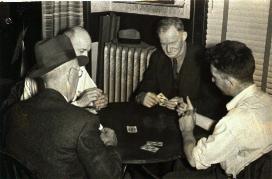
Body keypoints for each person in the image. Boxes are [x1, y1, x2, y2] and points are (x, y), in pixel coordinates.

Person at [5, 34, 122, 178]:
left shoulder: (14, 111)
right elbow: (110, 176)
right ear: (71, 74)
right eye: (79, 73)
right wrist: (111, 146)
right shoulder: (83, 122)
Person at [164, 40, 272, 179]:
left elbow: (194, 160)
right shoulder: (265, 100)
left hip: (238, 174)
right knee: (179, 167)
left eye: (215, 77)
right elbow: (233, 132)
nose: (213, 81)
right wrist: (194, 117)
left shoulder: (234, 121)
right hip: (256, 168)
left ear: (229, 82)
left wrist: (187, 130)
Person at [134, 17, 227, 119]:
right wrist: (142, 96)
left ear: (184, 36)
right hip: (164, 119)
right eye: (163, 44)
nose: (168, 49)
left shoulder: (203, 58)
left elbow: (214, 102)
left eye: (173, 43)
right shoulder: (157, 57)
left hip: (196, 120)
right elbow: (144, 88)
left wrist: (187, 105)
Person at [3, 26, 107, 112]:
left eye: (88, 51)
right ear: (65, 47)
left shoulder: (80, 68)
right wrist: (79, 104)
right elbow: (32, 118)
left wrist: (98, 100)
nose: (86, 56)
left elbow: (92, 94)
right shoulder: (36, 77)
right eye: (82, 50)